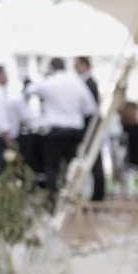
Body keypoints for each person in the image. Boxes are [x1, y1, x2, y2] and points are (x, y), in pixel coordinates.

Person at [29, 57, 96, 198]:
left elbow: (28, 91)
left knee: (51, 167)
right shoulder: (77, 82)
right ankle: (73, 196)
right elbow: (90, 108)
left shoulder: (48, 82)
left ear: (51, 68)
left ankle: (53, 199)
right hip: (75, 130)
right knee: (73, 166)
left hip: (54, 131)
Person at [74, 56, 105, 200]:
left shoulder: (89, 83)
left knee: (94, 160)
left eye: (77, 65)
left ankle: (98, 195)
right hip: (89, 127)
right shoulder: (85, 82)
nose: (75, 68)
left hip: (90, 128)